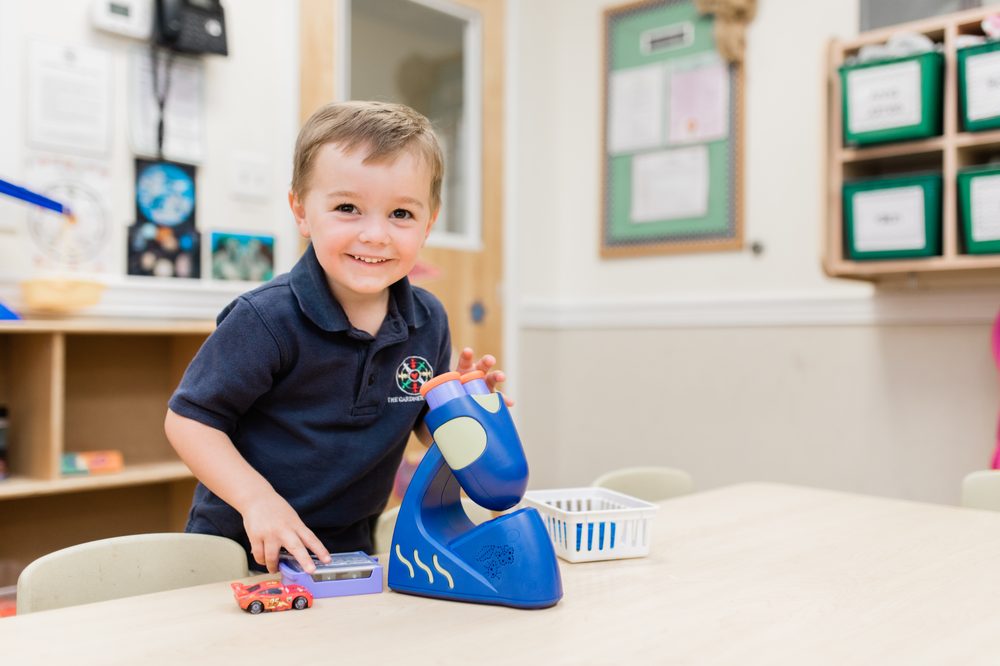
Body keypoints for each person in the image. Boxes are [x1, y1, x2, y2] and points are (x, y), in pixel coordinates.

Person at [165, 101, 506, 574]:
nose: (375, 234)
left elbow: (419, 424)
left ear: (429, 222)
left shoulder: (428, 319)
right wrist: (257, 500)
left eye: (401, 214)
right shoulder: (264, 318)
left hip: (348, 554)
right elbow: (190, 422)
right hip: (241, 549)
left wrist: (465, 412)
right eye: (348, 208)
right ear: (302, 212)